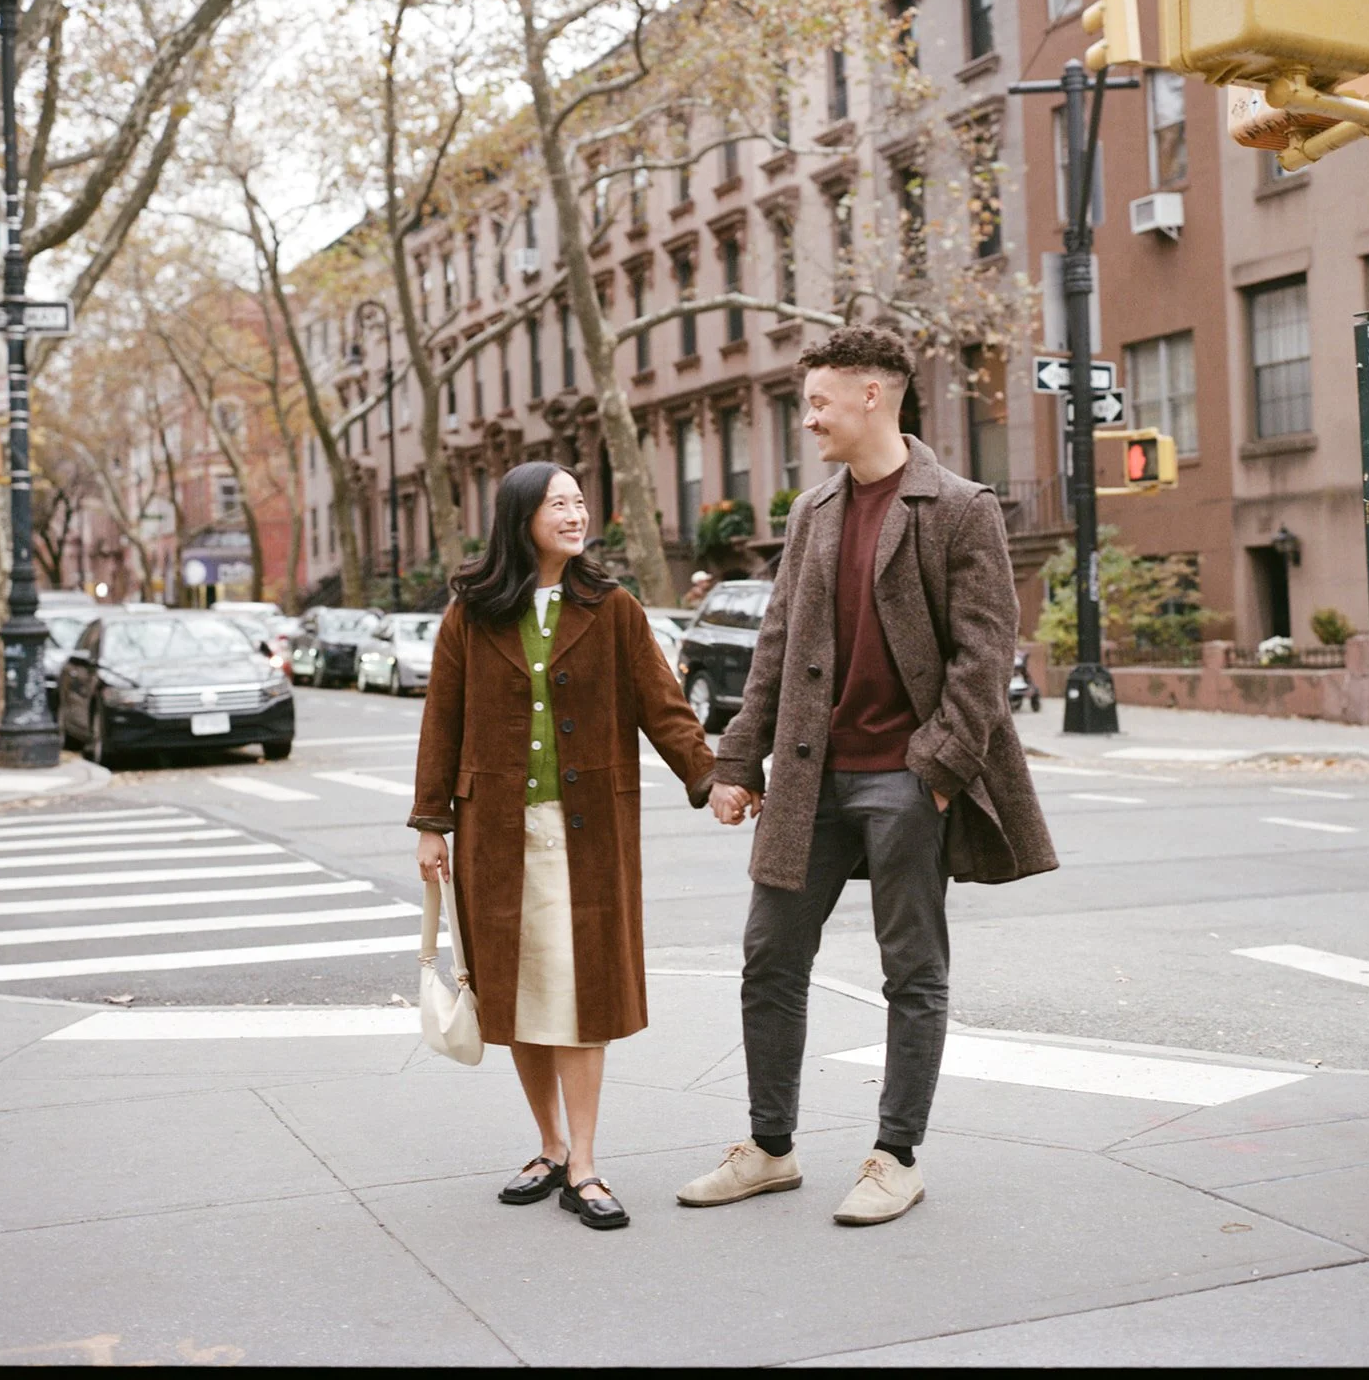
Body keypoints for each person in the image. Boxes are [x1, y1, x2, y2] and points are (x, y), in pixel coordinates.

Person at [679, 325, 1058, 1226]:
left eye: (817, 401)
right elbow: (774, 650)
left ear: (872, 397)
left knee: (910, 971)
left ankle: (895, 1156)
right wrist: (735, 761)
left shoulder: (958, 506)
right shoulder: (811, 513)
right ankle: (770, 1149)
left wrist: (936, 767)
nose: (807, 418)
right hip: (809, 780)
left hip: (905, 778)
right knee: (769, 958)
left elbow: (984, 655)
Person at [411, 462, 718, 1231]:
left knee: (582, 996)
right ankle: (546, 1145)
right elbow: (440, 723)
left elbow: (664, 707)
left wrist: (714, 780)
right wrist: (429, 824)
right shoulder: (472, 613)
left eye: (581, 502)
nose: (576, 514)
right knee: (517, 995)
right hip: (496, 834)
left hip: (589, 832)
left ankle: (583, 1162)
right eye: (559, 504)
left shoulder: (613, 610)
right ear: (521, 517)